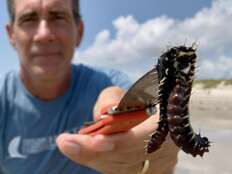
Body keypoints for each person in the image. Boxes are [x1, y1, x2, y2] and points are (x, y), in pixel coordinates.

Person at [0, 0, 179, 173]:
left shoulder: (111, 81)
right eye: (29, 19)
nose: (44, 34)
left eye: (58, 17)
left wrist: (156, 164)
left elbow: (156, 132)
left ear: (79, 32)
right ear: (11, 35)